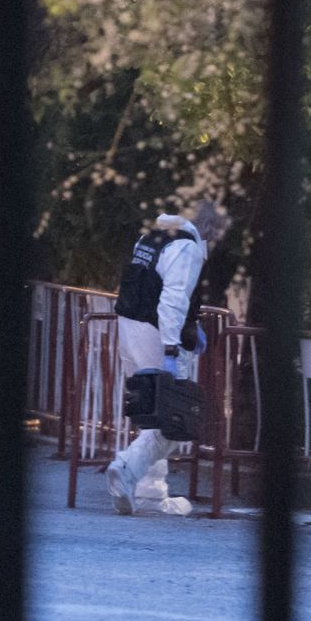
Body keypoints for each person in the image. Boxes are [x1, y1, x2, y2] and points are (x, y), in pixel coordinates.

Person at [105, 203, 223, 515]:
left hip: (130, 327)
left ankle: (150, 494)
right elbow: (172, 301)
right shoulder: (186, 247)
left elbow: (144, 284)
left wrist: (190, 327)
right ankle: (126, 469)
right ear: (207, 227)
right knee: (174, 416)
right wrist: (172, 349)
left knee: (152, 411)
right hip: (157, 336)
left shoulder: (151, 238)